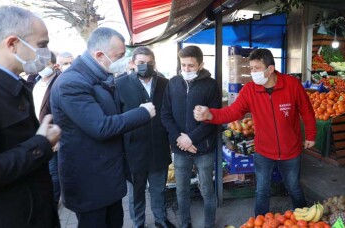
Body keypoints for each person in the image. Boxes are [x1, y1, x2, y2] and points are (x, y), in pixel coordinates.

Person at [50, 27, 156, 227]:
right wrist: (142, 113)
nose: (124, 61)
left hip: (107, 178)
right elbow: (101, 126)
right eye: (119, 56)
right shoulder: (72, 82)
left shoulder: (100, 77)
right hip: (89, 182)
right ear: (100, 55)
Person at [193, 48, 317, 216]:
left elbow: (307, 111)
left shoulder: (292, 85)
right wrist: (210, 115)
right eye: (250, 68)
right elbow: (233, 112)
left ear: (270, 69)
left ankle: (306, 219)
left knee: (294, 188)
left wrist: (310, 135)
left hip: (291, 150)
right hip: (263, 151)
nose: (252, 73)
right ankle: (259, 222)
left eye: (256, 68)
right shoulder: (250, 90)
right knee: (262, 191)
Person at [0, 6, 61, 228]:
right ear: (12, 44)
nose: (47, 53)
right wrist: (40, 145)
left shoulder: (9, 82)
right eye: (42, 45)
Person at [161, 45, 221, 228]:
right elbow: (165, 114)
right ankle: (185, 223)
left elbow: (213, 117)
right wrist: (181, 139)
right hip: (180, 148)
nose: (186, 69)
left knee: (206, 189)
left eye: (191, 66)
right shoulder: (173, 83)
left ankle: (209, 224)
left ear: (201, 64)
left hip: (204, 148)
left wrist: (191, 139)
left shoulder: (211, 85)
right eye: (183, 65)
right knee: (181, 190)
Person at [116, 47, 175, 228]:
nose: (145, 67)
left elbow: (171, 112)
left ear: (154, 63)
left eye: (149, 63)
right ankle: (138, 223)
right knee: (136, 192)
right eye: (141, 63)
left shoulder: (166, 84)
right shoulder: (120, 84)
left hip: (159, 146)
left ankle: (161, 219)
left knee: (159, 189)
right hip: (134, 149)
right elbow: (117, 118)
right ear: (132, 64)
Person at [31, 51, 62, 205]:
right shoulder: (36, 85)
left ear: (53, 64)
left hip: (55, 136)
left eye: (44, 63)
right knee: (50, 170)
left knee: (54, 171)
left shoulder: (59, 82)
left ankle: (54, 201)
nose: (41, 67)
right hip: (39, 135)